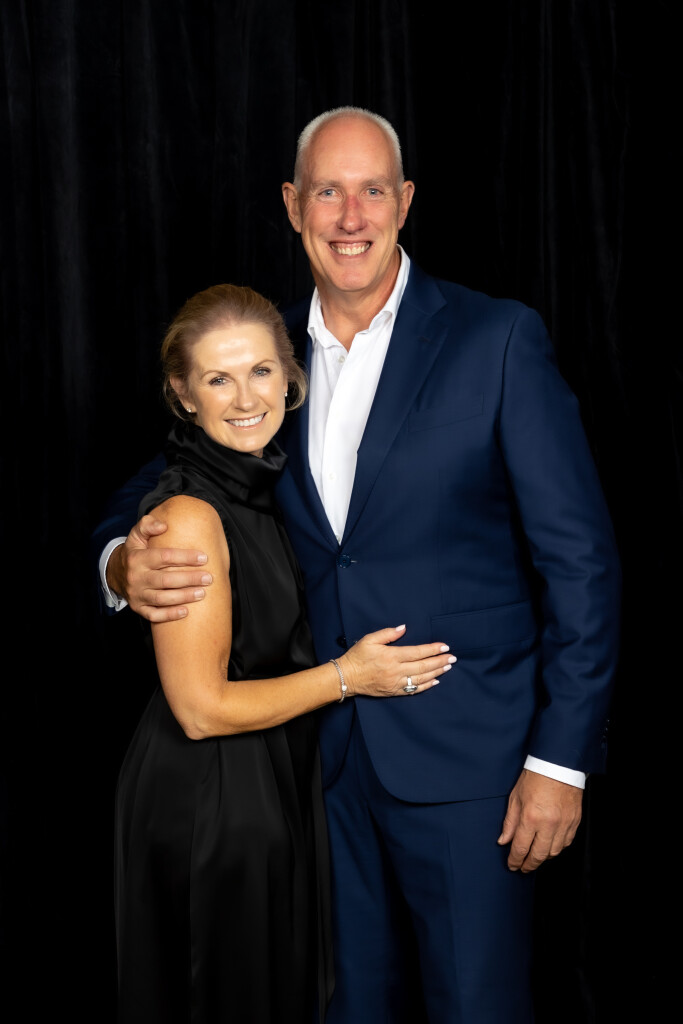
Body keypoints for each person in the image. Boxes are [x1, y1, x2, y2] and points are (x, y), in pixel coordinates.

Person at [94, 108, 621, 1023]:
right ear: (292, 205)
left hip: (473, 774)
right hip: (313, 774)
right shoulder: (262, 356)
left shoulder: (495, 340)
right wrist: (116, 565)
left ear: (404, 202)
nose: (349, 217)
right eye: (327, 193)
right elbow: (159, 477)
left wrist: (560, 762)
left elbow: (581, 564)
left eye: (371, 190)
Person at [111, 281, 453, 1024]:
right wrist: (349, 676)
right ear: (182, 395)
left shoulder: (264, 478)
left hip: (271, 782)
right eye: (217, 379)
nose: (245, 398)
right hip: (210, 800)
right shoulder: (189, 516)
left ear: (291, 377)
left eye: (261, 371)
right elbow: (200, 710)